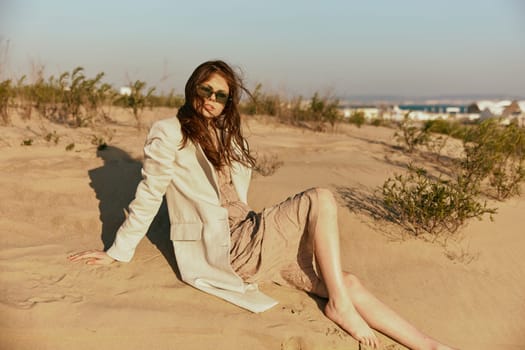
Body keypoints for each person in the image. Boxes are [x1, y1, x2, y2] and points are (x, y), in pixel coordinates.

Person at [69, 60, 455, 349]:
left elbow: (238, 185)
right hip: (227, 247)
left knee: (346, 280)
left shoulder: (225, 134)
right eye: (206, 90)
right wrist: (118, 252)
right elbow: (150, 193)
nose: (212, 101)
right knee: (320, 198)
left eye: (222, 96)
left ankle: (430, 345)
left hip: (250, 235)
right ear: (192, 89)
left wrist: (227, 136)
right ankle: (339, 307)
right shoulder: (167, 132)